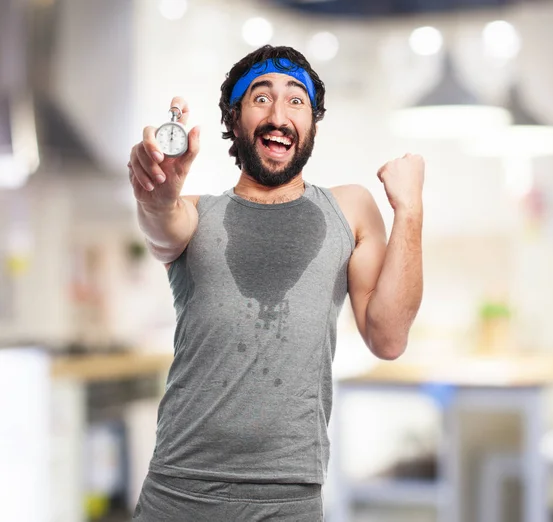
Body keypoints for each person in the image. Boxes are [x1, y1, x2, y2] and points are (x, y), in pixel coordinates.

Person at [127, 45, 424, 521]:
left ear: (312, 124)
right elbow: (162, 221)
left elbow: (389, 337)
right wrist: (158, 195)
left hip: (288, 498)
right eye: (261, 98)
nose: (279, 115)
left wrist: (410, 209)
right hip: (178, 493)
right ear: (234, 119)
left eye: (296, 100)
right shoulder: (194, 215)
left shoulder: (349, 211)